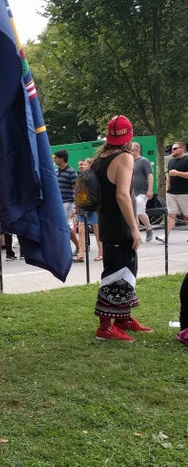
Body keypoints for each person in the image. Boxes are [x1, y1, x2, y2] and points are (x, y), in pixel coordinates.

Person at [92, 116, 152, 342]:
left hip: (108, 222)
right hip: (120, 225)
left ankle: (123, 318)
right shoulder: (125, 157)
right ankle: (105, 327)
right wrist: (134, 228)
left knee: (126, 270)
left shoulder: (100, 158)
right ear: (129, 136)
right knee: (116, 274)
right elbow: (122, 195)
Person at [155, 141, 188, 243]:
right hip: (172, 193)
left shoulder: (187, 159)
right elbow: (169, 176)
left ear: (182, 149)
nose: (172, 151)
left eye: (175, 148)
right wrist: (167, 190)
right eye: (172, 149)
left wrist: (177, 173)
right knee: (171, 214)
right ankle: (165, 236)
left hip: (184, 192)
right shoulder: (171, 162)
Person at [54, 150, 80, 259]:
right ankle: (78, 245)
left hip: (68, 202)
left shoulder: (71, 172)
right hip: (59, 203)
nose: (54, 160)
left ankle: (64, 250)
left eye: (56, 157)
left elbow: (77, 189)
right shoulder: (56, 172)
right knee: (64, 226)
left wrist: (78, 205)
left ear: (62, 158)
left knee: (62, 226)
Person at [75, 158, 103, 262]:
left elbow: (80, 191)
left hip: (89, 205)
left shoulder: (89, 176)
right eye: (81, 164)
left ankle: (101, 252)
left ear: (90, 165)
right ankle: (81, 254)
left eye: (85, 164)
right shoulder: (86, 175)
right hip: (85, 205)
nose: (82, 166)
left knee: (96, 229)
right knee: (82, 230)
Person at [130, 143, 154, 242]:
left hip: (141, 190)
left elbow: (150, 175)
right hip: (132, 191)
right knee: (134, 213)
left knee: (139, 211)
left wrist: (150, 189)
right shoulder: (130, 161)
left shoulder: (143, 161)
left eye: (131, 150)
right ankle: (137, 234)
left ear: (136, 151)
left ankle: (148, 228)